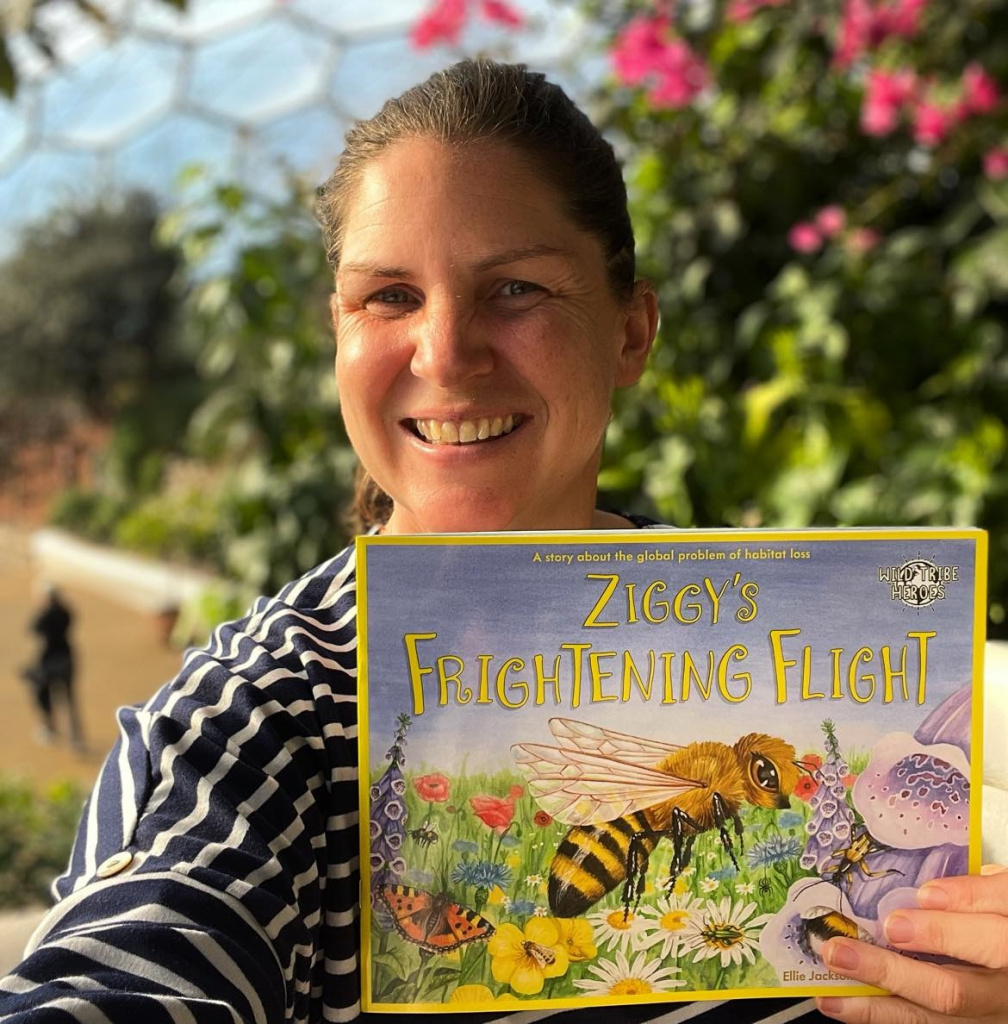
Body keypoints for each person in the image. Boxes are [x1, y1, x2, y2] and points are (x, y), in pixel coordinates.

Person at [0, 60, 1005, 1024]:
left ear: (631, 332)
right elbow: (131, 962)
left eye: (515, 289)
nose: (445, 353)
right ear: (340, 335)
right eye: (389, 296)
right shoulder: (260, 725)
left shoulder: (803, 644)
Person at [20, 585, 83, 750]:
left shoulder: (46, 615)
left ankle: (50, 729)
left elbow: (33, 629)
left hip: (49, 661)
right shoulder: (65, 612)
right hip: (66, 659)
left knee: (44, 695)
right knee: (69, 700)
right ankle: (76, 739)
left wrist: (42, 608)